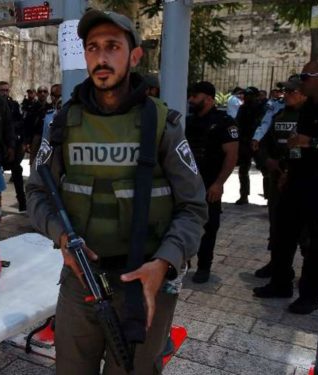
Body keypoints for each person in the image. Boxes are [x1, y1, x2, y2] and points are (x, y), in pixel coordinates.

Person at [26, 10, 207, 374]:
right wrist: (61, 237)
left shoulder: (162, 125)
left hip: (146, 283)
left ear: (134, 56)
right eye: (93, 48)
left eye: (113, 46)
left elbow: (193, 207)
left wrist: (166, 262)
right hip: (82, 282)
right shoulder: (62, 124)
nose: (102, 58)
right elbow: (37, 192)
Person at [254, 60, 318, 315]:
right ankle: (281, 282)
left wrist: (312, 142)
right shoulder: (307, 109)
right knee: (283, 233)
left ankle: (310, 295)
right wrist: (288, 171)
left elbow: (310, 142)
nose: (301, 80)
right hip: (297, 179)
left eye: (306, 76)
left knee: (316, 244)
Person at [185, 81, 240, 283]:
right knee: (184, 222)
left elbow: (232, 156)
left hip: (210, 184)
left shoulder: (225, 122)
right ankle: (184, 261)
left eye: (195, 96)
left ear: (208, 98)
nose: (191, 100)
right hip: (188, 183)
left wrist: (219, 183)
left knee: (208, 227)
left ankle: (204, 266)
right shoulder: (189, 122)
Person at [253, 75, 307, 278]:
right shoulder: (280, 115)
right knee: (277, 223)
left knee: (304, 230)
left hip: (298, 179)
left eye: (291, 92)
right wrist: (268, 161)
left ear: (303, 94)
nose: (286, 95)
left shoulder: (308, 117)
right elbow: (265, 143)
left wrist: (289, 169)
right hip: (277, 179)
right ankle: (277, 264)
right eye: (285, 91)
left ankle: (307, 272)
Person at [0, 80, 27, 211]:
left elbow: (21, 122)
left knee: (17, 172)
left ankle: (22, 203)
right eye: (2, 90)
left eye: (6, 90)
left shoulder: (14, 105)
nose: (4, 93)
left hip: (12, 144)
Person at [234, 86, 266, 205]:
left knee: (264, 169)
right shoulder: (242, 108)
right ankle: (244, 195)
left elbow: (262, 124)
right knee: (243, 170)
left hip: (257, 142)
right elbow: (237, 123)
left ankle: (268, 196)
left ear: (256, 96)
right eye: (246, 95)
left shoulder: (261, 108)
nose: (247, 97)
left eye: (250, 95)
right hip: (244, 142)